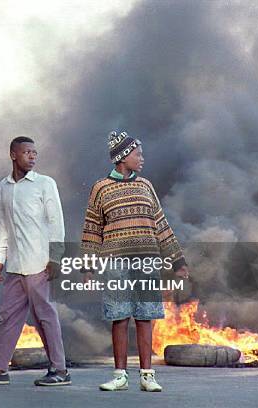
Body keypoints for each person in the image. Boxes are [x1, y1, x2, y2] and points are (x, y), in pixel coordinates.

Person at [81, 131, 190, 392]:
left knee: (145, 318)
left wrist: (178, 260)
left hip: (147, 263)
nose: (142, 158)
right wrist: (88, 266)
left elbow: (161, 225)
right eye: (137, 154)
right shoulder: (101, 188)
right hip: (115, 264)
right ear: (121, 157)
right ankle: (119, 376)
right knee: (119, 318)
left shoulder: (145, 186)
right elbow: (92, 228)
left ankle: (147, 376)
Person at [0, 136, 70, 386]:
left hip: (39, 264)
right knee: (7, 316)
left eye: (35, 153)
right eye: (27, 152)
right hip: (15, 265)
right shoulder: (4, 186)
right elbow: (3, 225)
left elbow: (56, 221)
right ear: (14, 155)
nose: (33, 157)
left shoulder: (45, 184)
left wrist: (55, 257)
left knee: (45, 317)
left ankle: (60, 370)